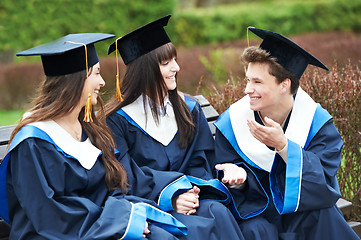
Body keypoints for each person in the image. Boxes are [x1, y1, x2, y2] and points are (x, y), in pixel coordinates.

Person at [0, 33, 188, 239]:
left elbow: (114, 186)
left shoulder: (90, 130)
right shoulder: (33, 143)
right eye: (96, 74)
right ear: (77, 81)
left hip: (98, 226)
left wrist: (129, 215)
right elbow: (49, 214)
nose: (102, 82)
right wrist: (120, 222)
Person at [104, 15, 244, 239]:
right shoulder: (117, 121)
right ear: (145, 69)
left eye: (175, 60)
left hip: (192, 198)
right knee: (196, 228)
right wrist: (172, 196)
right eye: (166, 63)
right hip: (151, 206)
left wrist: (193, 192)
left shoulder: (188, 109)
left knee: (218, 212)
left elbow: (200, 162)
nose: (176, 68)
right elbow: (124, 178)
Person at [214, 27, 361, 240]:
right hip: (258, 214)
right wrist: (241, 181)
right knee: (255, 230)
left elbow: (322, 187)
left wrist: (284, 148)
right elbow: (225, 180)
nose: (247, 89)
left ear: (284, 85)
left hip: (304, 210)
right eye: (248, 80)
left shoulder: (317, 124)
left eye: (257, 82)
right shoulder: (232, 123)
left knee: (323, 216)